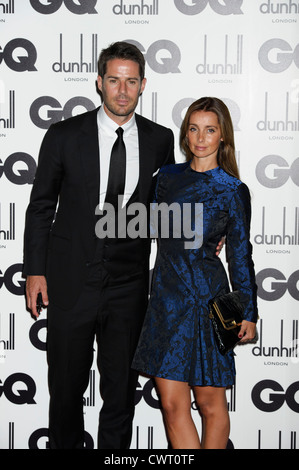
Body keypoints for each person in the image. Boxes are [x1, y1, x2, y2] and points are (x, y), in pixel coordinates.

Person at [23, 41, 175, 449]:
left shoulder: (161, 140)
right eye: (113, 80)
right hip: (70, 280)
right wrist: (35, 272)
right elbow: (41, 208)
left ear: (143, 85)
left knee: (122, 392)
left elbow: (163, 208)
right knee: (66, 390)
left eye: (130, 82)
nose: (122, 91)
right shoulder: (63, 136)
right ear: (99, 82)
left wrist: (203, 239)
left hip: (128, 284)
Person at [132, 97, 258, 449]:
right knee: (172, 405)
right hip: (167, 301)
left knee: (209, 404)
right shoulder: (166, 178)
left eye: (210, 130)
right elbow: (145, 226)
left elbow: (241, 255)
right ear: (185, 135)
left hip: (212, 302)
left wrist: (248, 311)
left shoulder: (234, 190)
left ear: (222, 137)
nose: (201, 138)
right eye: (193, 129)